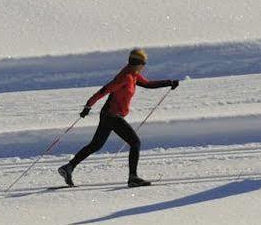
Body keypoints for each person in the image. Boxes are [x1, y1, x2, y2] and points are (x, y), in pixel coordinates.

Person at [59, 48, 180, 187]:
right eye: (144, 64)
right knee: (135, 142)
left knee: (95, 145)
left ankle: (69, 167)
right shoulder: (125, 77)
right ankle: (133, 177)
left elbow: (148, 84)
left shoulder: (133, 74)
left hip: (109, 115)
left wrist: (169, 82)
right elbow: (104, 90)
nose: (144, 67)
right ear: (138, 63)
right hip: (112, 116)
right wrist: (88, 106)